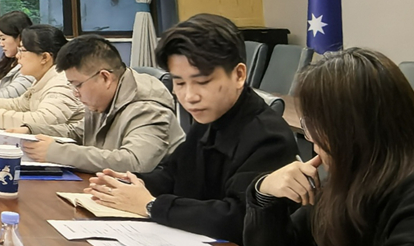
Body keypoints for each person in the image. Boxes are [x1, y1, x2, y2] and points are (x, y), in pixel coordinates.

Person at [243, 48, 414, 246]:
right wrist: (265, 192)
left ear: (353, 131)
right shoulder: (349, 181)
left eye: (316, 127)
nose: (311, 140)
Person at [84, 13, 297, 244]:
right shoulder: (208, 117)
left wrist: (151, 205)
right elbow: (173, 174)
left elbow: (237, 218)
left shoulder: (269, 137)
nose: (189, 96)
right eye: (180, 83)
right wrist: (131, 183)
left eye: (202, 82)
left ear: (239, 75)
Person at [12, 35, 184, 174]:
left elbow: (135, 162)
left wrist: (57, 153)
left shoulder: (147, 108)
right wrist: (30, 130)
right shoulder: (102, 98)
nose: (75, 93)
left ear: (105, 77)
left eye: (78, 85)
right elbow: (77, 133)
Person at [0, 24, 85, 131]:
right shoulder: (43, 78)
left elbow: (42, 120)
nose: (17, 56)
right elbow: (19, 104)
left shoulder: (62, 84)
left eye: (22, 50)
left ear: (45, 57)